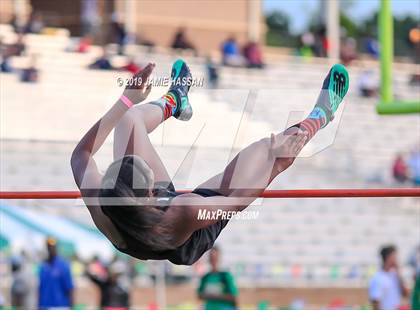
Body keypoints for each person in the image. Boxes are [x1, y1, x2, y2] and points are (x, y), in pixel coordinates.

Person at [70, 59, 349, 266]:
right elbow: (237, 203)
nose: (155, 170)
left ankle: (176, 100)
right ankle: (321, 115)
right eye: (152, 178)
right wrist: (277, 163)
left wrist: (126, 100)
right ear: (152, 193)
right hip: (188, 239)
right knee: (269, 150)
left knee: (129, 121)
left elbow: (80, 155)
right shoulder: (187, 210)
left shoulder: (100, 199)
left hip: (143, 221)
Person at [369, 245, 409, 310]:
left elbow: (405, 294)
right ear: (388, 258)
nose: (396, 260)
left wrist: (398, 273)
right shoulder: (378, 278)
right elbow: (375, 302)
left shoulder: (395, 275)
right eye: (394, 257)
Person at [38, 237, 74, 310]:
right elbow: (40, 288)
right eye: (49, 246)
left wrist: (71, 306)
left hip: (60, 306)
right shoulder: (43, 266)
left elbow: (70, 289)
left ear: (56, 247)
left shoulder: (63, 265)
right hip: (44, 306)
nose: (51, 249)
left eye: (53, 246)